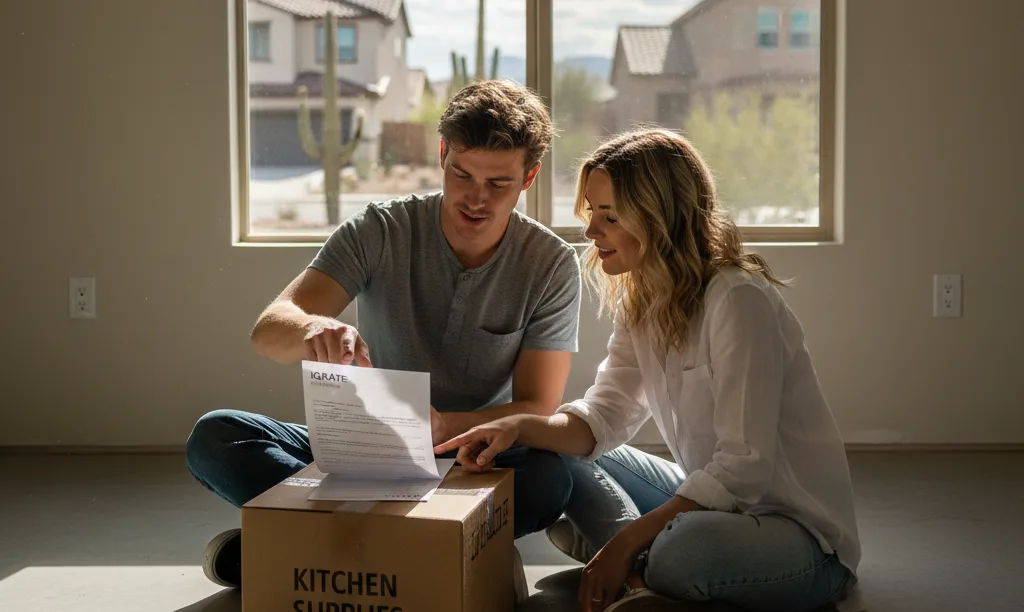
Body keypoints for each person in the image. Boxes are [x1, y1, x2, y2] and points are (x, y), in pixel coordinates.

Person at [185, 80, 583, 602]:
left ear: (529, 177)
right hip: (362, 448)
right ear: (442, 154)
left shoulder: (551, 263)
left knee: (552, 480)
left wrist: (447, 426)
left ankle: (302, 542)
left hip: (470, 455)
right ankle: (441, 546)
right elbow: (269, 329)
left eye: (499, 184)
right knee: (216, 438)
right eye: (462, 174)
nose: (476, 199)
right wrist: (312, 329)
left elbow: (537, 404)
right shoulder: (380, 228)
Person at [435, 128, 863, 612]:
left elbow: (745, 467)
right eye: (592, 213)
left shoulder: (738, 299)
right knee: (563, 456)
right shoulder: (645, 300)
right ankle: (638, 576)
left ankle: (635, 561)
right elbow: (604, 417)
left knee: (684, 554)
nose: (592, 232)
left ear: (660, 219)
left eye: (610, 216)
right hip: (712, 503)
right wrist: (519, 427)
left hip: (799, 536)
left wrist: (623, 542)